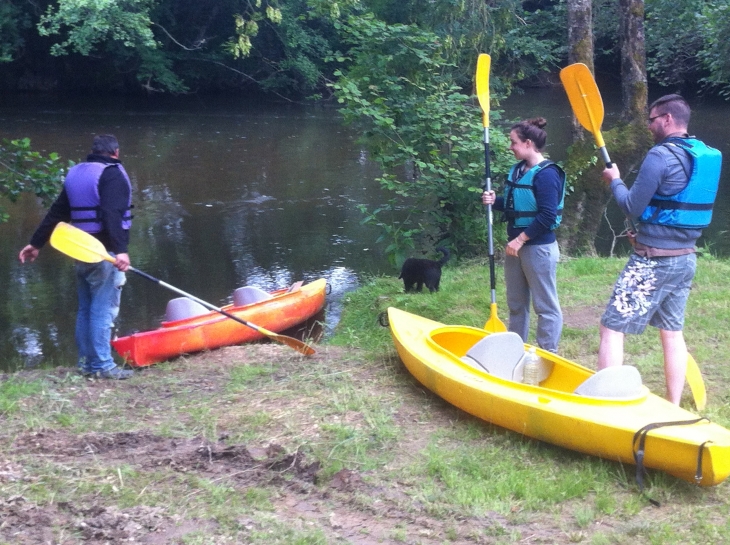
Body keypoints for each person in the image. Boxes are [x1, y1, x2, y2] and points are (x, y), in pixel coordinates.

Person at [598, 94, 722, 404]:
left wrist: (614, 180)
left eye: (652, 120)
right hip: (685, 259)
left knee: (612, 326)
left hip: (653, 261)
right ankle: (674, 405)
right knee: (671, 332)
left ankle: (606, 402)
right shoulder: (704, 154)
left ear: (666, 119)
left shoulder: (660, 156)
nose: (649, 126)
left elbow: (631, 207)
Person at [18, 134, 135, 380]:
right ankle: (103, 366)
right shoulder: (112, 173)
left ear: (94, 151)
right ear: (115, 151)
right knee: (103, 310)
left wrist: (35, 243)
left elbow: (57, 212)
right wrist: (120, 249)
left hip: (81, 252)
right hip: (105, 255)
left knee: (86, 310)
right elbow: (112, 213)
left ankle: (86, 364)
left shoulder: (76, 173)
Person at [482, 117, 566, 352]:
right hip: (515, 247)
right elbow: (517, 206)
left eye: (513, 142)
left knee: (545, 306)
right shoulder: (519, 170)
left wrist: (520, 240)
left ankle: (548, 354)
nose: (510, 147)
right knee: (516, 304)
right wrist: (495, 201)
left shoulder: (548, 174)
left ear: (528, 143)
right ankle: (514, 349)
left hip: (537, 248)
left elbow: (547, 216)